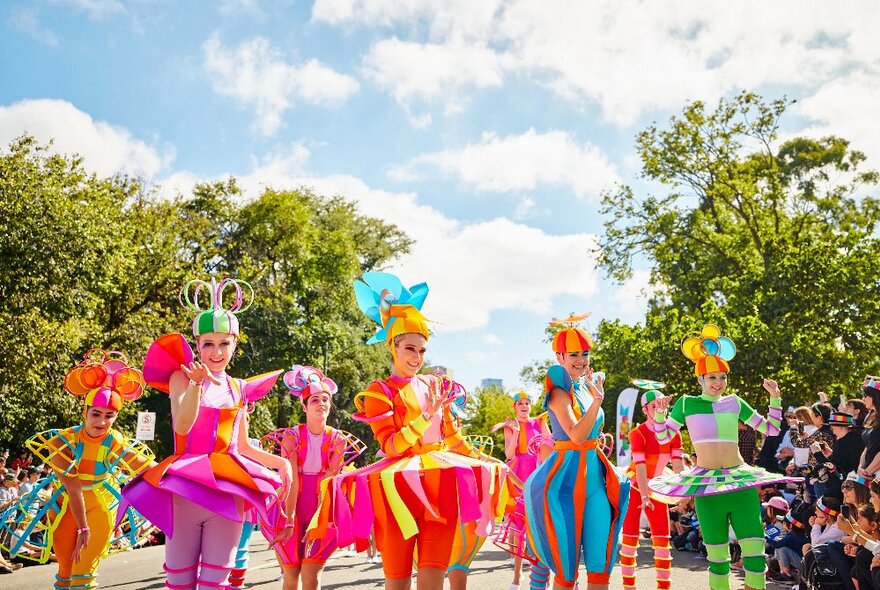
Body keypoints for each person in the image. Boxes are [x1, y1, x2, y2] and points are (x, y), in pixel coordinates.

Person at [306, 272, 511, 590]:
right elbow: (391, 446)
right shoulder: (379, 392)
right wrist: (426, 415)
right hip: (397, 491)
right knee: (398, 581)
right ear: (393, 347)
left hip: (440, 486)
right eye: (410, 349)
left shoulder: (434, 385)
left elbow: (453, 439)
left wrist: (487, 459)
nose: (417, 357)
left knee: (433, 577)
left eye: (422, 351)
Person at [122, 277, 291, 589]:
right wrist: (197, 385)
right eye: (209, 344)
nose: (216, 352)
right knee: (179, 582)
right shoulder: (182, 378)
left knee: (215, 583)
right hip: (185, 489)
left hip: (227, 493)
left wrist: (282, 465)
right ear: (197, 344)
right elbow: (182, 427)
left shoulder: (239, 388)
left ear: (234, 345)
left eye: (224, 344)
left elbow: (240, 447)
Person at [649, 324, 800, 590]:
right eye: (712, 378)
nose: (718, 383)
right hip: (708, 490)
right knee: (717, 560)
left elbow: (772, 429)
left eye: (722, 377)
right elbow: (662, 438)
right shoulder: (686, 403)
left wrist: (775, 399)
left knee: (754, 556)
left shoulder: (735, 402)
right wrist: (660, 415)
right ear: (700, 380)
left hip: (739, 484)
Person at [0, 350, 155, 589]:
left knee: (84, 572)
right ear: (85, 412)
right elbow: (73, 487)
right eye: (96, 414)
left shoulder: (114, 441)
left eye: (109, 416)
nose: (101, 422)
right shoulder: (63, 441)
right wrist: (83, 527)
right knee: (65, 569)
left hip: (100, 504)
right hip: (65, 505)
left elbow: (148, 468)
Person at [524, 313, 630, 590]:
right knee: (566, 575)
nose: (580, 359)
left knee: (600, 569)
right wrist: (597, 402)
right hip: (564, 488)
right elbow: (577, 435)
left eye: (584, 353)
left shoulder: (585, 386)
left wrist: (593, 397)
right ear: (559, 356)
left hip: (595, 483)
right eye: (573, 354)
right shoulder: (559, 390)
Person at [259, 365, 365, 590]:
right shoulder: (291, 437)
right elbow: (291, 481)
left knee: (311, 574)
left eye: (325, 399)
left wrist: (316, 523)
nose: (321, 404)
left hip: (321, 506)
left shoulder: (338, 440)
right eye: (315, 400)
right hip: (291, 503)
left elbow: (327, 483)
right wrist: (288, 520)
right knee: (291, 573)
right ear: (304, 406)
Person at [619, 382, 683, 590]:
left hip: (658, 487)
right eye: (653, 406)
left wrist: (684, 494)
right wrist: (646, 495)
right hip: (637, 488)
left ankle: (663, 587)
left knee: (663, 542)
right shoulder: (638, 433)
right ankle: (629, 587)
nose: (658, 409)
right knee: (629, 540)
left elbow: (679, 466)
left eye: (661, 405)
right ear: (645, 410)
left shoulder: (674, 434)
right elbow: (640, 467)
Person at [499, 390, 549, 590]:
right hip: (518, 474)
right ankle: (516, 579)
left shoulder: (540, 422)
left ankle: (546, 575)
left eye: (527, 402)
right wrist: (517, 432)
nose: (524, 406)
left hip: (538, 473)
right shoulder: (510, 427)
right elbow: (509, 454)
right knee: (518, 528)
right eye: (520, 403)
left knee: (542, 525)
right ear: (515, 407)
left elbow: (550, 447)